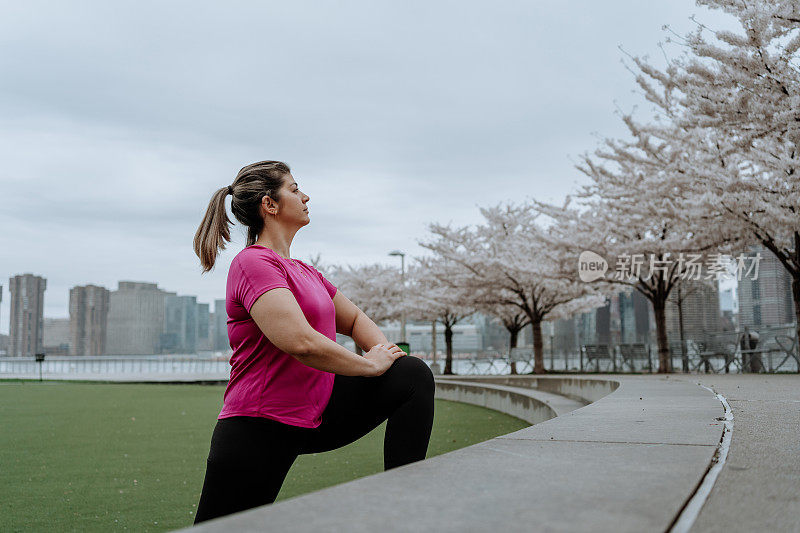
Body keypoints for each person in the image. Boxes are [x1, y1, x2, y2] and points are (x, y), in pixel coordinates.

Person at [191, 160, 435, 524]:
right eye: (293, 189)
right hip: (260, 424)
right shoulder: (252, 264)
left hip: (316, 414)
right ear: (269, 205)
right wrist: (369, 366)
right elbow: (300, 342)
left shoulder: (306, 272)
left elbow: (353, 319)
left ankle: (403, 510)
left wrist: (383, 356)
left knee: (410, 374)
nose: (305, 196)